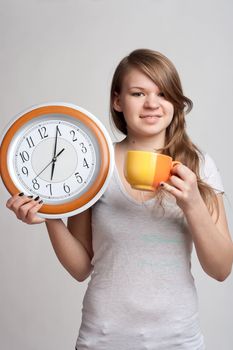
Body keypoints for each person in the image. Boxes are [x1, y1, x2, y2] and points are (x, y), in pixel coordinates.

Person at [6, 49, 233, 350]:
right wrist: (49, 214)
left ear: (175, 102)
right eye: (138, 93)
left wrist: (192, 203)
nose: (152, 103)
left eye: (163, 94)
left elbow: (220, 270)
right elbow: (80, 268)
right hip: (102, 339)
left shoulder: (198, 165)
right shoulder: (95, 164)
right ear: (117, 101)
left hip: (179, 341)